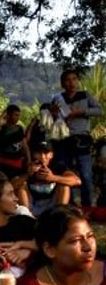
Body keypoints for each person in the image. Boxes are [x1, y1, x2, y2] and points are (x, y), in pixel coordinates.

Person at [50, 69, 102, 206]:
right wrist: (55, 116)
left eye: (74, 79)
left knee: (86, 175)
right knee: (67, 174)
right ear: (62, 83)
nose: (71, 82)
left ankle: (88, 207)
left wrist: (81, 112)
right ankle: (71, 206)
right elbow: (50, 121)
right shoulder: (57, 98)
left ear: (78, 81)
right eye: (67, 80)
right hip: (64, 140)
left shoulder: (85, 95)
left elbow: (99, 110)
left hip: (82, 140)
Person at [27, 140, 82, 217]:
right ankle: (26, 217)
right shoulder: (27, 166)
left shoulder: (57, 166)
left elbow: (77, 181)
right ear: (33, 154)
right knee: (21, 186)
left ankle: (59, 216)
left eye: (46, 153)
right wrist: (27, 175)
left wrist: (53, 178)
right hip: (33, 205)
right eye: (39, 153)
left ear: (51, 155)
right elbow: (12, 185)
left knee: (64, 185)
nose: (42, 157)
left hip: (53, 205)